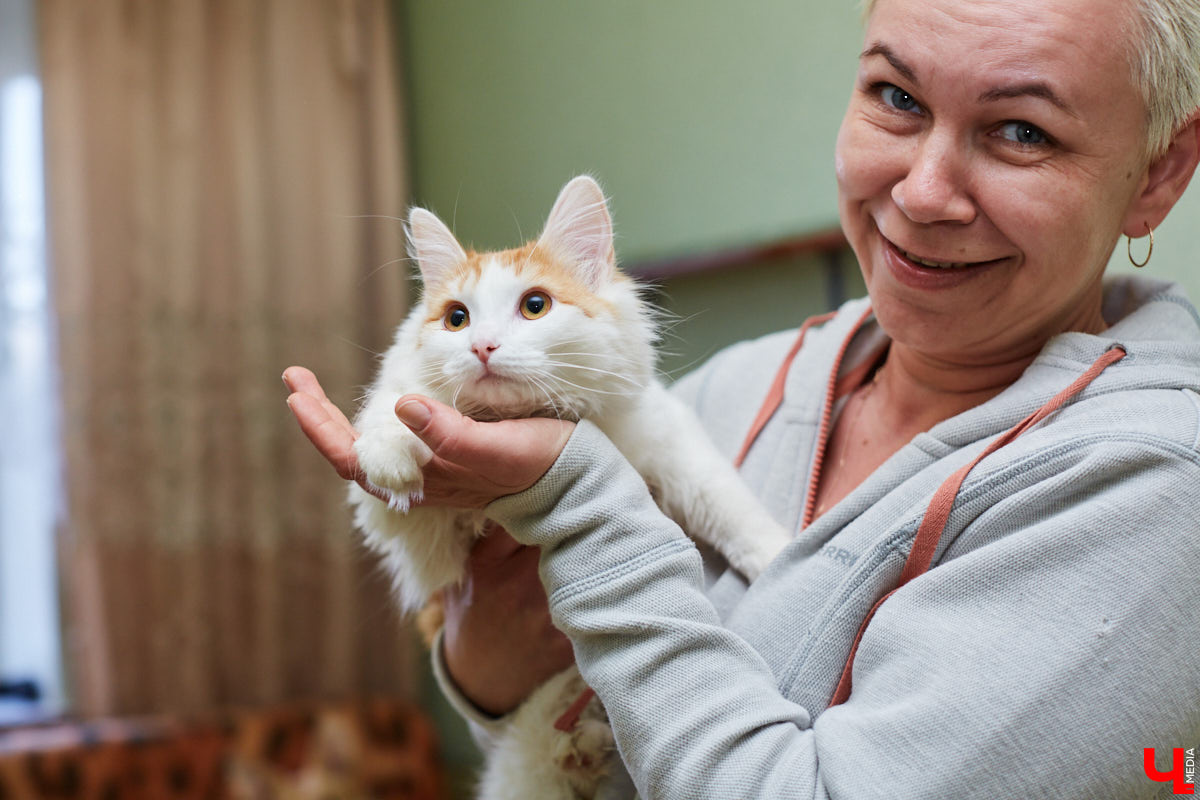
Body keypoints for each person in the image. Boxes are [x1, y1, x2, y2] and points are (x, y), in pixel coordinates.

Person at [284, 0, 1200, 795]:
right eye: (897, 98)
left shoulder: (1155, 493)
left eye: (1022, 131)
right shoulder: (741, 381)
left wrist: (578, 503)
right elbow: (567, 724)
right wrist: (477, 659)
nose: (922, 194)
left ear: (1158, 172)